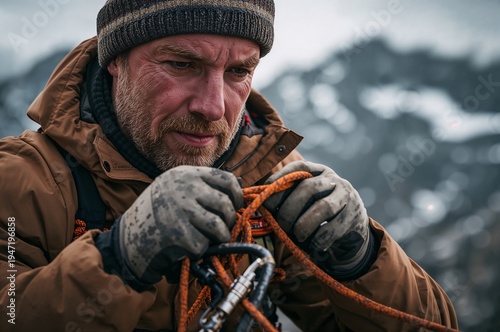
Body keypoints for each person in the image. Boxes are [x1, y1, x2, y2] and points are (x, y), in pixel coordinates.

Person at [0, 1, 458, 331]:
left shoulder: (270, 183)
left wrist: (359, 261)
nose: (213, 107)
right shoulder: (21, 182)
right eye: (181, 64)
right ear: (115, 60)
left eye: (239, 72)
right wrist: (119, 258)